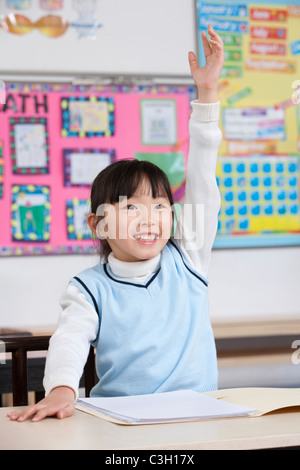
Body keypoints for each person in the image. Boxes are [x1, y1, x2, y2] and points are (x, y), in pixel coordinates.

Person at [8, 25, 224, 422]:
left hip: (200, 417)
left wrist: (207, 96)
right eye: (131, 208)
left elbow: (203, 176)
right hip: (121, 421)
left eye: (160, 206)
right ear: (99, 223)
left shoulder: (188, 258)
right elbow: (70, 339)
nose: (150, 218)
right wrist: (60, 390)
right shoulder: (89, 288)